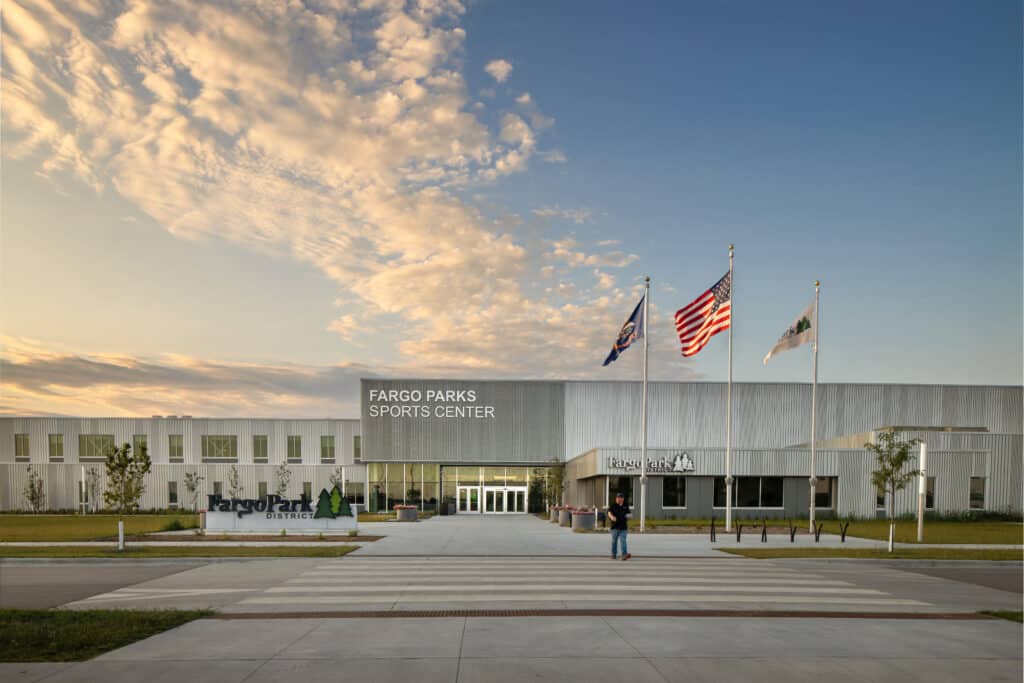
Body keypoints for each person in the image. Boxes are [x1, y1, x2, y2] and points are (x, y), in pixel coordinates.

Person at [607, 492, 632, 560]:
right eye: (617, 498)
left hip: (623, 527)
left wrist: (629, 516)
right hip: (615, 527)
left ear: (622, 499)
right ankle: (613, 554)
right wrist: (612, 517)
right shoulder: (613, 505)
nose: (618, 499)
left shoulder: (625, 506)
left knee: (623, 541)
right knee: (614, 541)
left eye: (619, 498)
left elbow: (629, 514)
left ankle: (624, 555)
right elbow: (609, 512)